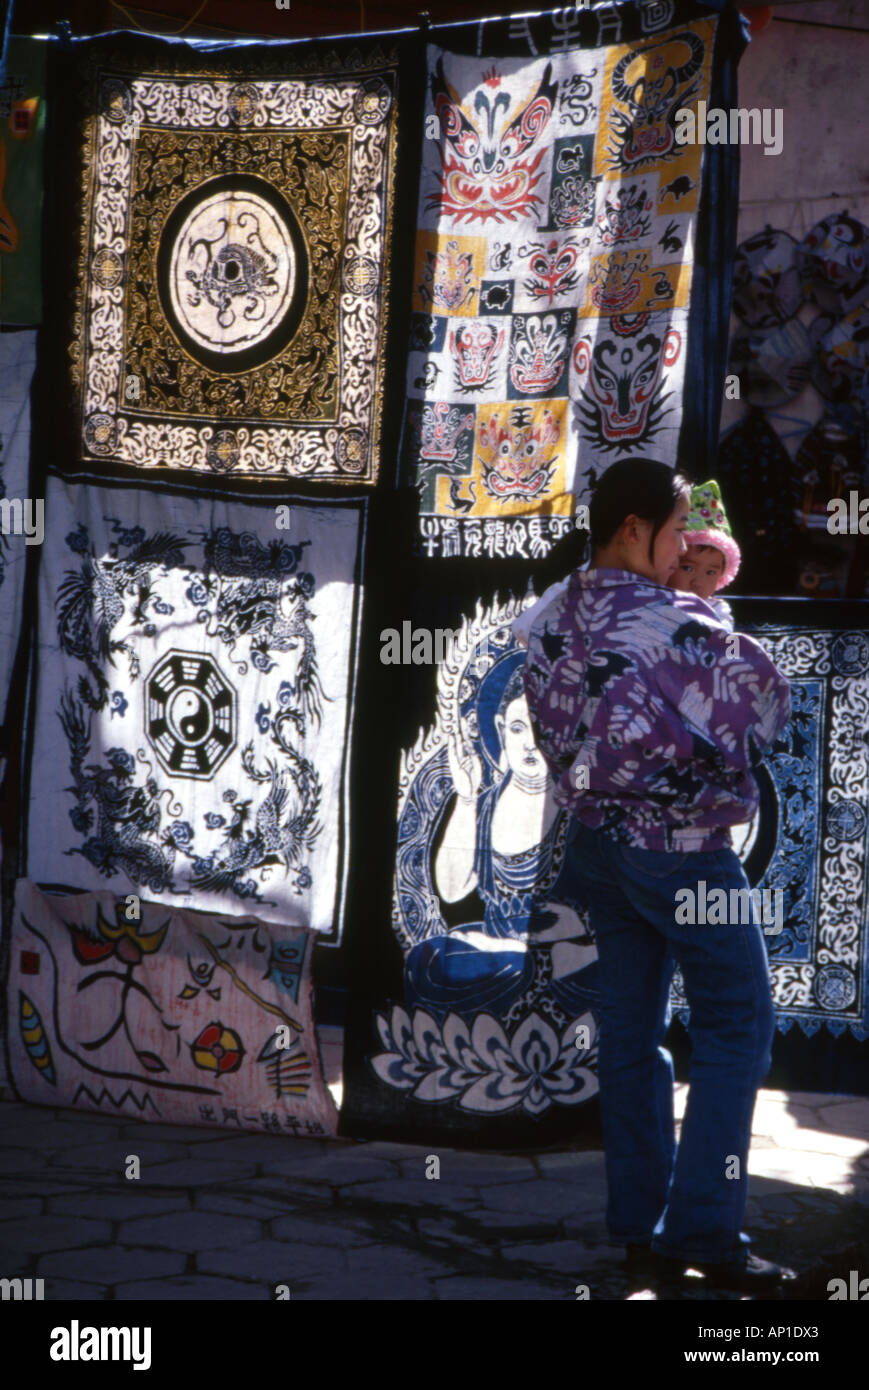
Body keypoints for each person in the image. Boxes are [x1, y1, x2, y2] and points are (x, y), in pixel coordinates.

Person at [516, 457, 794, 1293]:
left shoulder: (546, 615)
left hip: (595, 844)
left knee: (632, 1036)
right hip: (682, 854)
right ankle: (703, 1230)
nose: (684, 550)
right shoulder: (681, 623)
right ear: (634, 530)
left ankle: (640, 1225)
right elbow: (768, 707)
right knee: (737, 1026)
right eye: (678, 532)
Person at [404, 664, 598, 1022]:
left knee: (598, 967)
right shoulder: (485, 804)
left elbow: (604, 899)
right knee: (425, 962)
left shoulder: (580, 805)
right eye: (518, 728)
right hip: (497, 951)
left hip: (568, 952)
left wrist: (569, 928)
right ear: (501, 731)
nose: (529, 743)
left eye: (541, 729)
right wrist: (465, 798)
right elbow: (450, 890)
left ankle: (534, 972)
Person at [667, 479, 740, 631]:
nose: (697, 582)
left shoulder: (719, 611)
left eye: (710, 572)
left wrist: (733, 653)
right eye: (688, 568)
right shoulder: (657, 601)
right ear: (670, 563)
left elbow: (732, 647)